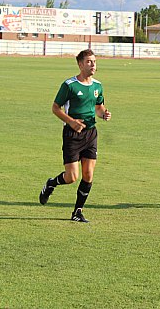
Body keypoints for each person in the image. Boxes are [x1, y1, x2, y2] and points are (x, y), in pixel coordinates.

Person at [39, 49, 111, 223]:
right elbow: (56, 108)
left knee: (88, 174)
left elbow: (99, 107)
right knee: (71, 177)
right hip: (72, 134)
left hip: (90, 133)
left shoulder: (97, 86)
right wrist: (71, 121)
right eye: (89, 62)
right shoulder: (69, 85)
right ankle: (51, 184)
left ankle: (77, 212)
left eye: (94, 61)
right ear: (80, 64)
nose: (93, 64)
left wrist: (104, 114)